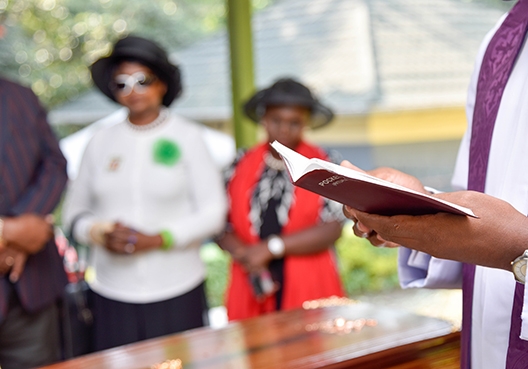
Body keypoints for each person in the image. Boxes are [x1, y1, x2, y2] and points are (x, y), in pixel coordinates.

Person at [343, 1, 528, 368]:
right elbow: (480, 198)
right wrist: (419, 208)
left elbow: (504, 235)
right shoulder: (501, 40)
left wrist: (519, 246)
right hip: (485, 342)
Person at [62, 35, 227, 351]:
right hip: (112, 293)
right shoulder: (99, 142)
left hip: (178, 290)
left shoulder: (188, 136)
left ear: (161, 83)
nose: (132, 90)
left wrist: (159, 238)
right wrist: (100, 233)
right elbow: (74, 214)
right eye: (121, 84)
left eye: (142, 80)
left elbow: (214, 213)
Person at [216, 78, 345, 321]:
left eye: (294, 122)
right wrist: (247, 255)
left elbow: (332, 228)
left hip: (309, 281)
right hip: (251, 277)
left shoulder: (324, 163)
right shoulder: (240, 163)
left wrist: (270, 249)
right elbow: (220, 224)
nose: (284, 129)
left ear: (305, 122)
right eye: (276, 121)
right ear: (264, 119)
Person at [0, 12, 69, 369]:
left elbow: (55, 165)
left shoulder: (22, 98)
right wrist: (8, 233)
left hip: (30, 293)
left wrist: (23, 229)